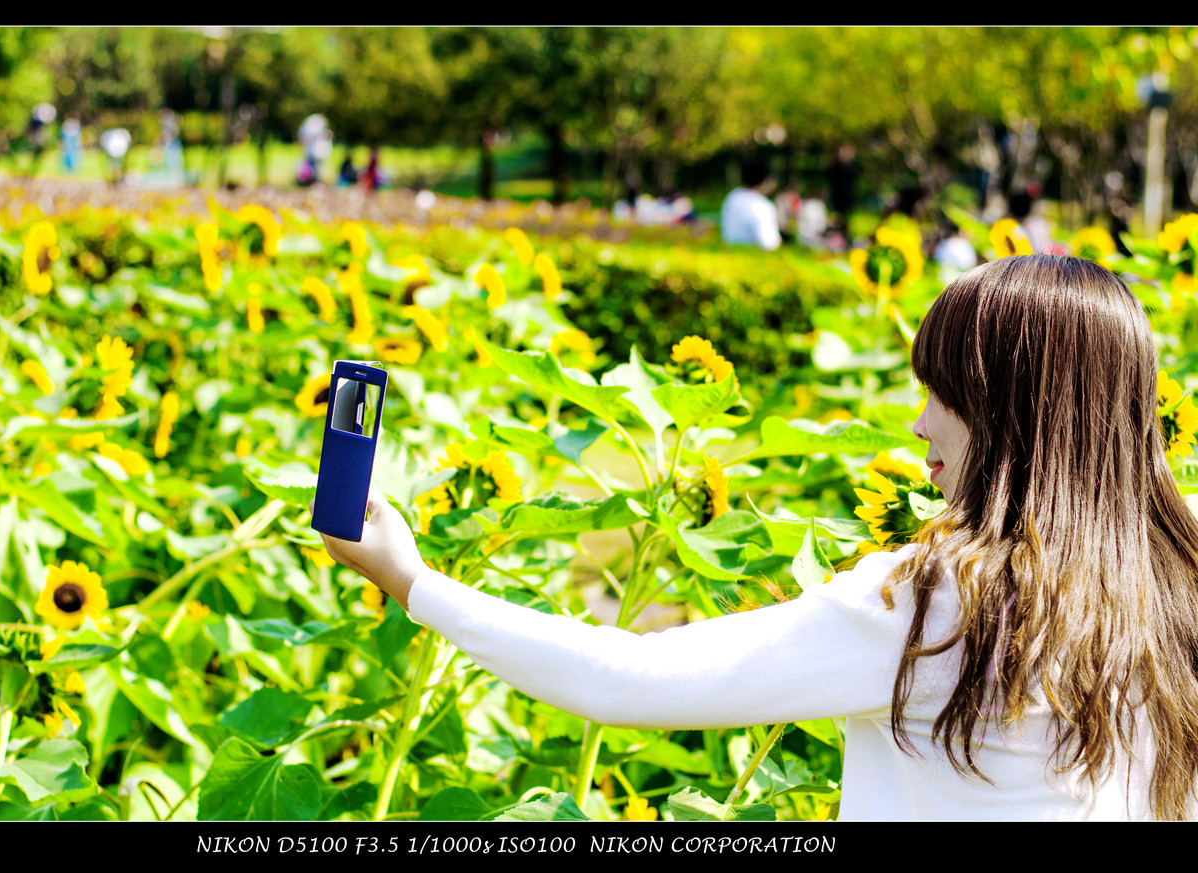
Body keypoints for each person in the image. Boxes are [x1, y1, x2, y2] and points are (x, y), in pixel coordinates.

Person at [314, 255, 1198, 821]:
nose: (919, 421)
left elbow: (624, 679)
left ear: (1013, 412)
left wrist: (413, 580)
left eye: (945, 391)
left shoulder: (944, 602)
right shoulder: (1173, 589)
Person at [719, 157, 781, 251]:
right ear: (766, 180)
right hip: (753, 257)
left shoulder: (732, 197)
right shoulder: (763, 205)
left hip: (730, 253)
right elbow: (769, 244)